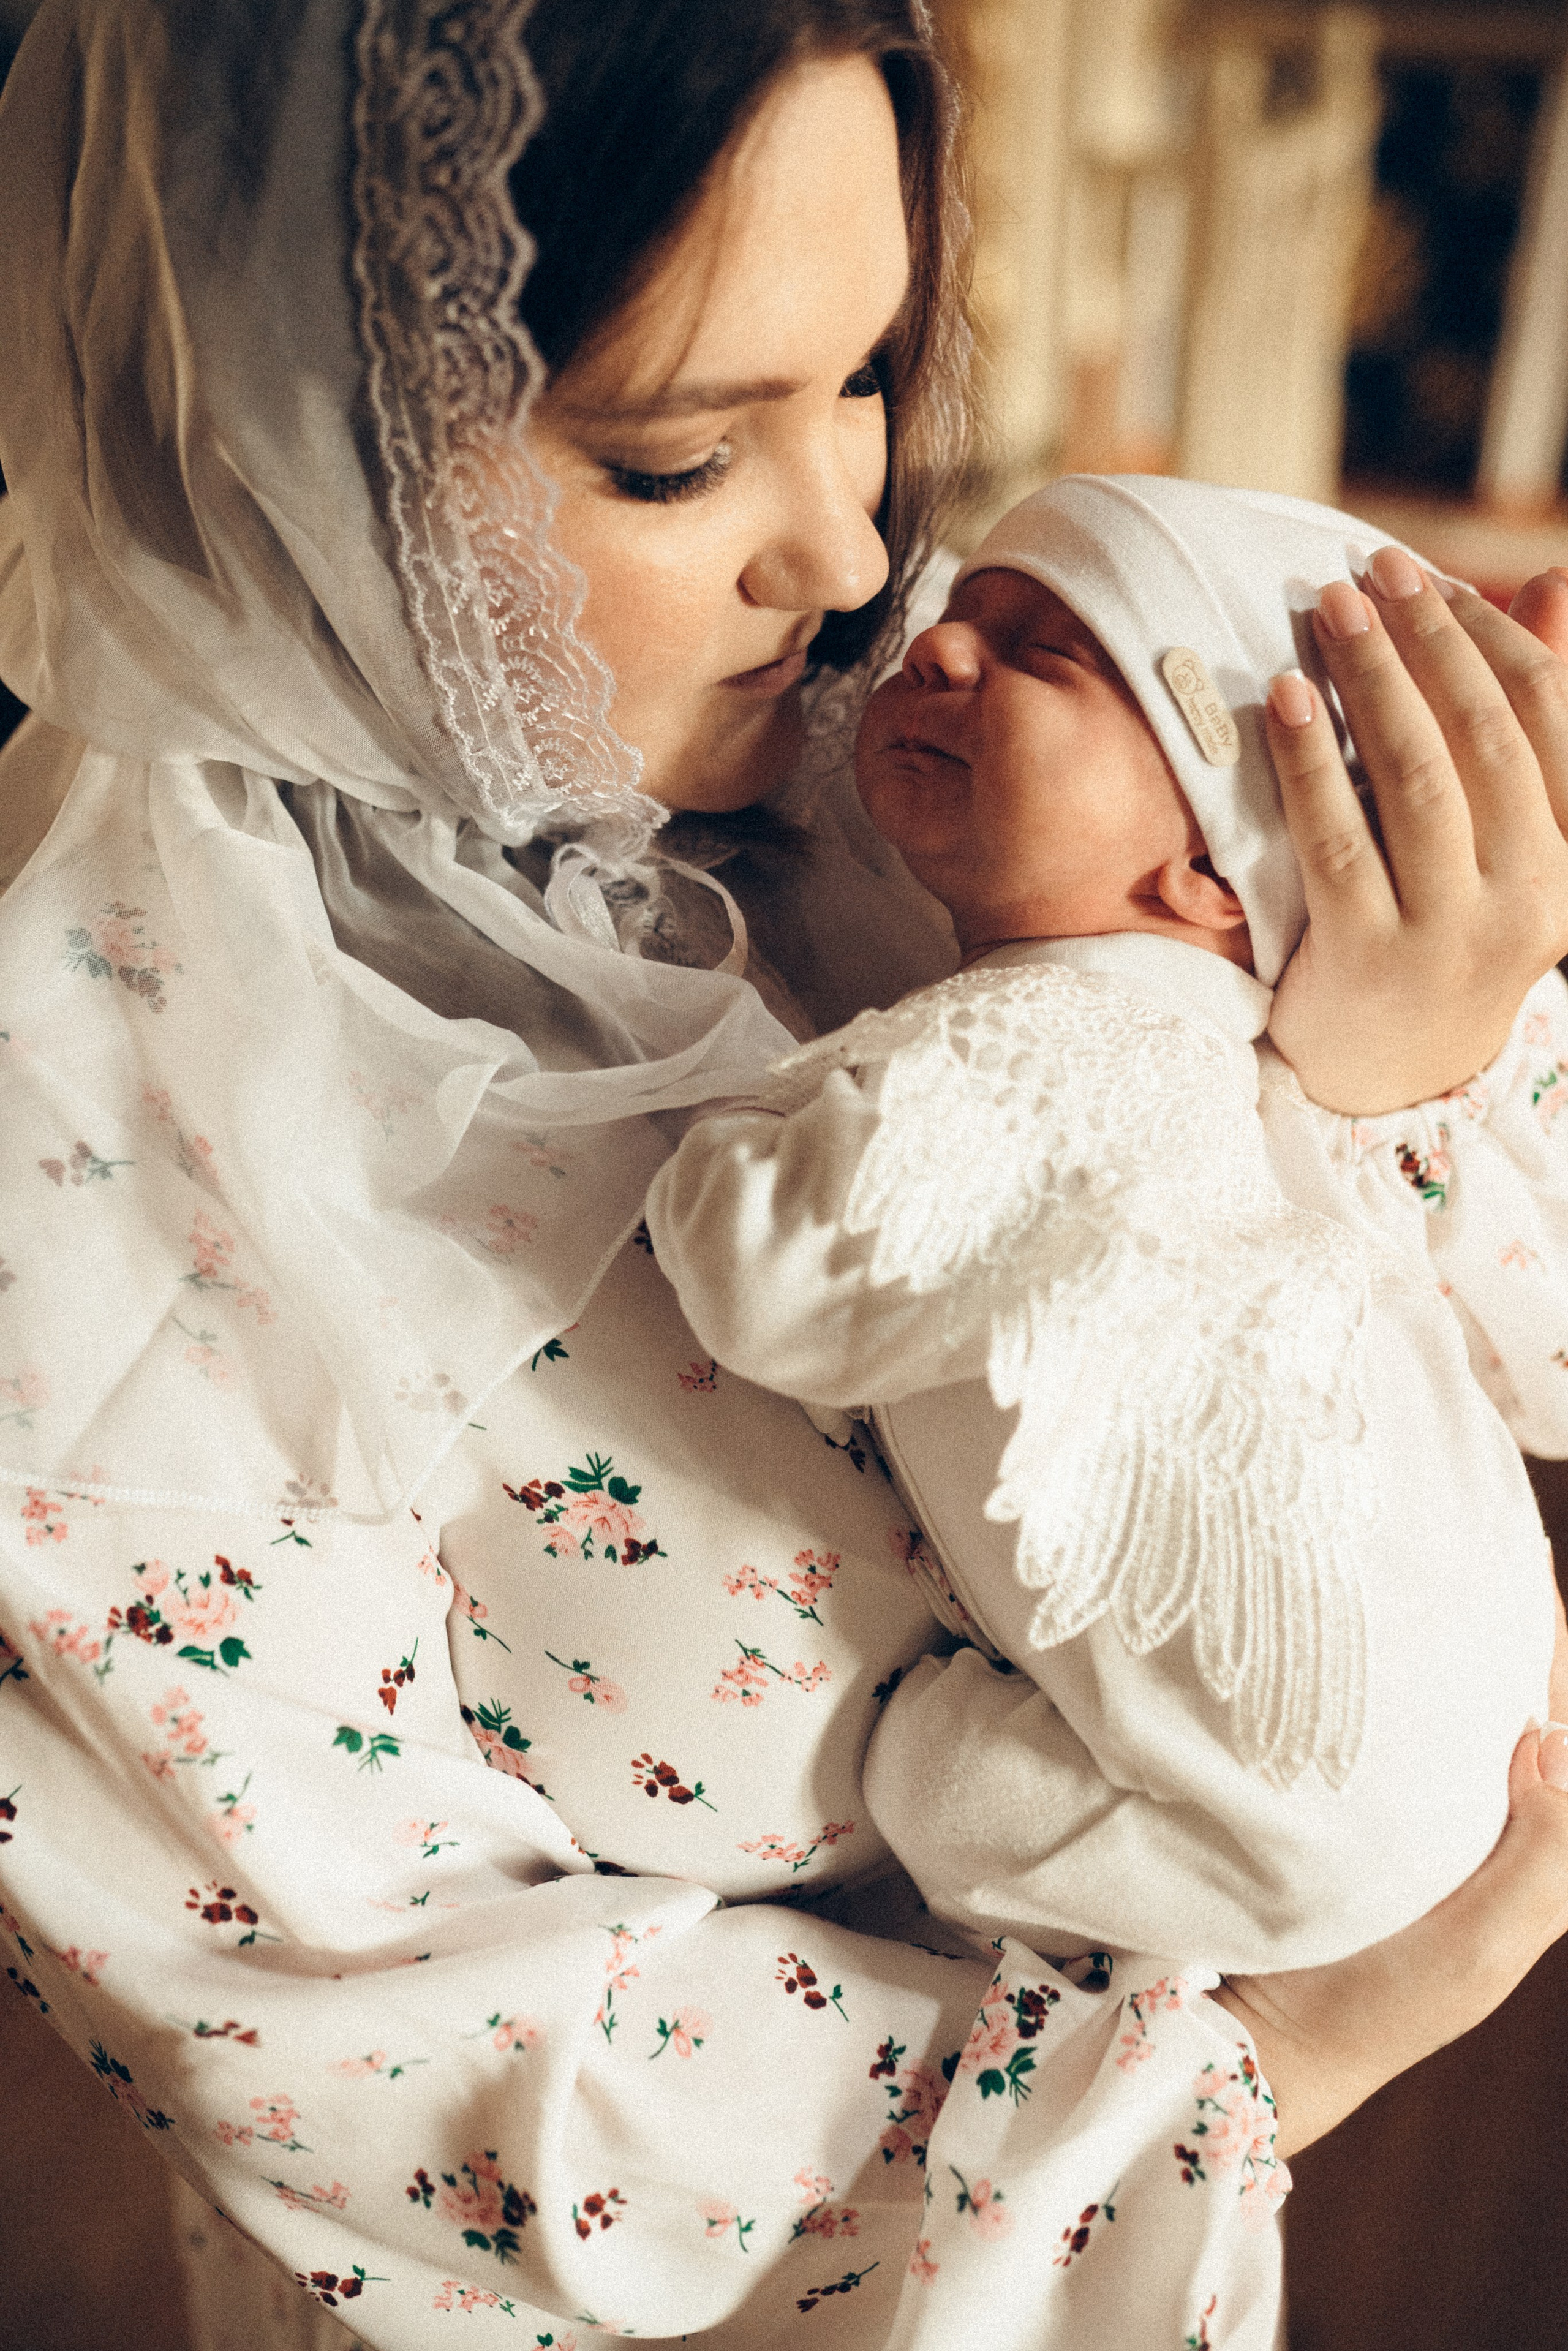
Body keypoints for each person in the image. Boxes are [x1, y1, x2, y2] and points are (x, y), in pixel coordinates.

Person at [4, 2, 1568, 2345]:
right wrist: (1284, 2056)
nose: (850, 556)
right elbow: (421, 2069)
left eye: (865, 376)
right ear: (279, 421)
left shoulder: (868, 758)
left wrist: (1382, 1068)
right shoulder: (96, 1171)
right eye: (672, 461)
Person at [647, 472, 1568, 1984]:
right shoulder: (1282, 1079)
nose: (931, 653)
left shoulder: (1040, 1045)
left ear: (1214, 863)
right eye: (958, 617)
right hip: (1467, 1739)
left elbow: (762, 1276)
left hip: (1281, 1837)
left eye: (1045, 658)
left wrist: (726, 1120)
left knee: (919, 1781)